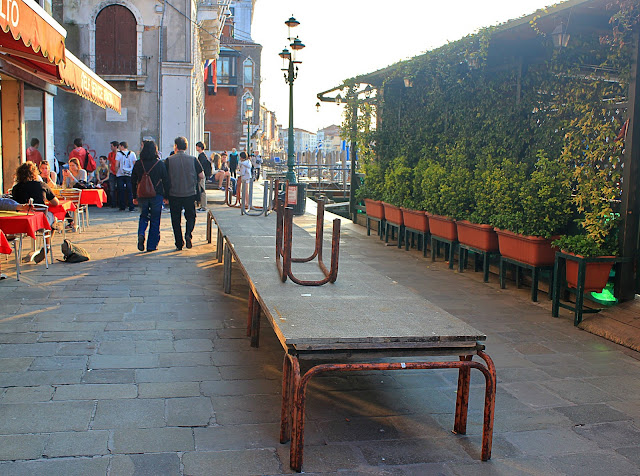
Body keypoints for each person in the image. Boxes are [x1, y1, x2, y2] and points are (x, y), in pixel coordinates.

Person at [11, 162, 59, 263]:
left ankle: (21, 251)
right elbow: (55, 202)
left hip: (22, 224)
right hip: (40, 222)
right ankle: (47, 245)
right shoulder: (41, 185)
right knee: (53, 218)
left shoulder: (16, 188)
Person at [164, 136, 204, 251]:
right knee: (191, 216)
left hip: (174, 193)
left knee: (175, 219)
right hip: (189, 193)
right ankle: (188, 234)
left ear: (176, 146)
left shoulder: (169, 160)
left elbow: (165, 178)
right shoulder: (193, 159)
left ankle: (178, 242)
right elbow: (201, 175)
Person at [131, 140, 169, 252]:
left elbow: (133, 180)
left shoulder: (138, 163)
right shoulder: (160, 163)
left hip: (142, 195)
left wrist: (134, 196)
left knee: (143, 216)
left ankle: (141, 233)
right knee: (155, 219)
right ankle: (151, 245)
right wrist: (166, 196)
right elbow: (166, 180)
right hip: (156, 195)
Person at [115, 141, 136, 212]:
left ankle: (122, 206)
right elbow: (134, 163)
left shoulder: (118, 154)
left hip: (120, 175)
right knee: (130, 191)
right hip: (129, 174)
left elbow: (116, 164)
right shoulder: (132, 153)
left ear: (122, 146)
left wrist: (116, 172)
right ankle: (131, 206)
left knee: (121, 191)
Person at [195, 142, 212, 211]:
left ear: (199, 147)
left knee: (202, 190)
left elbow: (200, 167)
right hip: (204, 174)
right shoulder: (204, 155)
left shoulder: (201, 156)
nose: (196, 148)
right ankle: (202, 205)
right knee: (202, 190)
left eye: (197, 146)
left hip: (201, 175)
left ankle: (203, 206)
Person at [107, 141, 119, 208]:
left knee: (120, 188)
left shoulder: (120, 154)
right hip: (112, 173)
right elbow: (109, 162)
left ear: (115, 147)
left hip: (119, 173)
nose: (111, 147)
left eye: (112, 146)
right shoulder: (110, 154)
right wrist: (110, 169)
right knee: (112, 189)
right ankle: (113, 203)